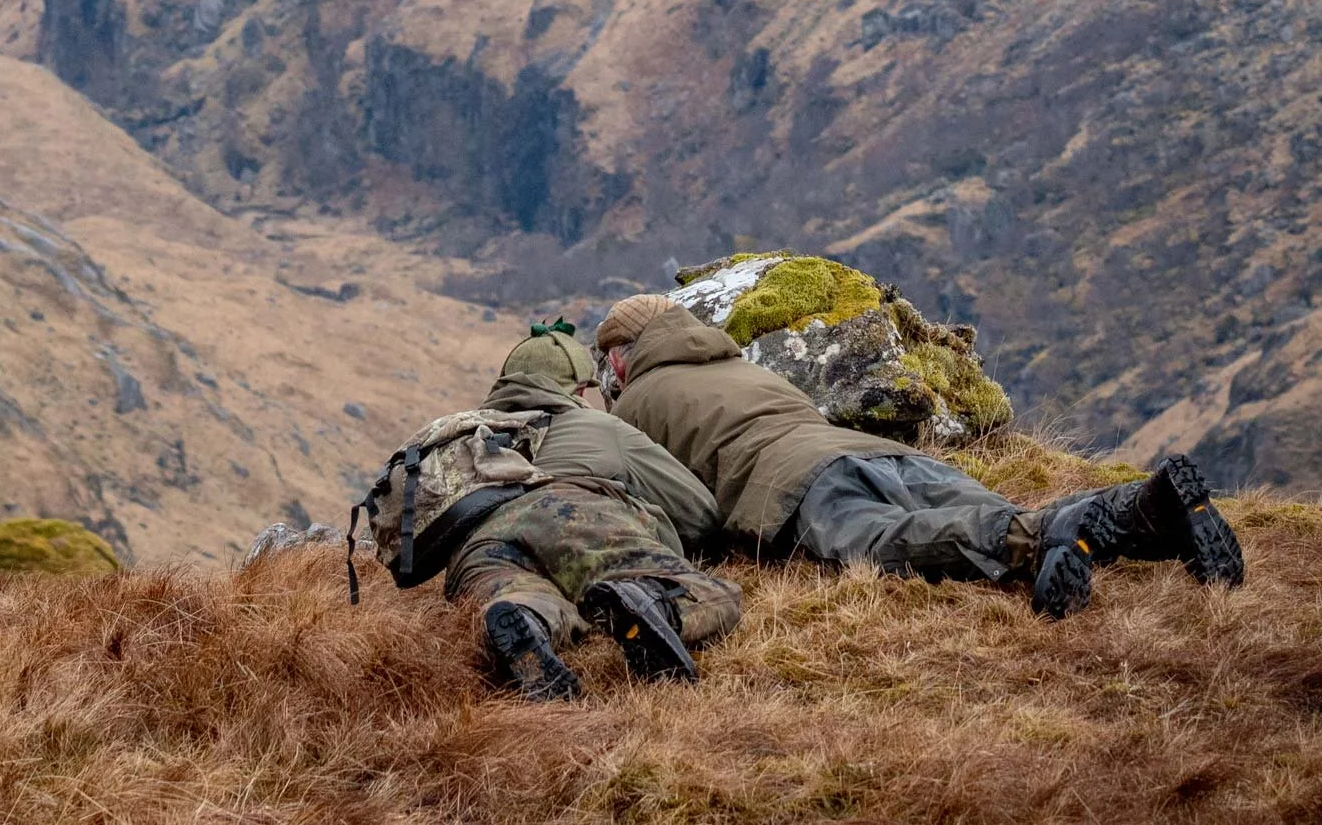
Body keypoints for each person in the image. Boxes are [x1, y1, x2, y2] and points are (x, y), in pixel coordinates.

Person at [595, 294, 1244, 619]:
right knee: (973, 504)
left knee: (885, 541)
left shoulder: (635, 403)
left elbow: (672, 500)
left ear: (623, 354)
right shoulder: (738, 366)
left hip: (794, 483)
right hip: (874, 451)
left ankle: (1047, 536)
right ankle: (1138, 508)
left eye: (607, 359)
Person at [446, 324, 743, 699]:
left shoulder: (465, 437)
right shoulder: (600, 426)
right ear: (579, 389)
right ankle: (654, 606)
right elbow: (697, 513)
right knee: (714, 595)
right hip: (571, 514)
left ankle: (526, 617)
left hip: (478, 543)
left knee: (516, 594)